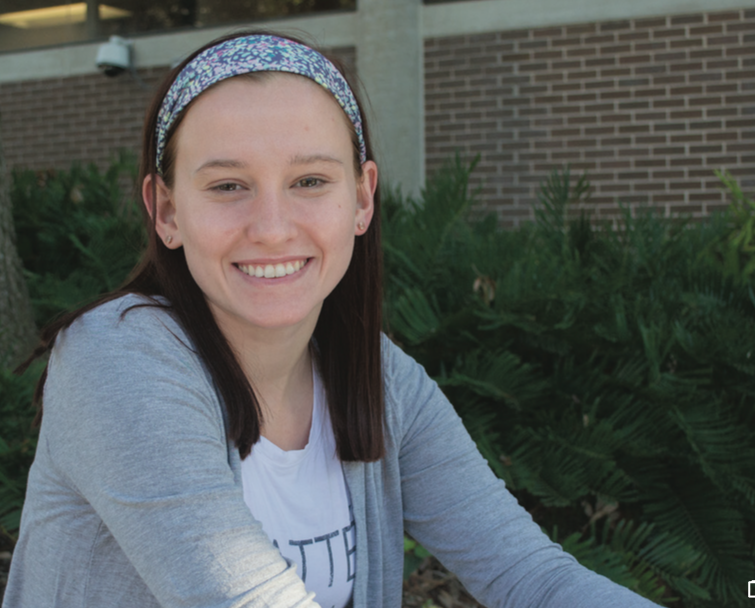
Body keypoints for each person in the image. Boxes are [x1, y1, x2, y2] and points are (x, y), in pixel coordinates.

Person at [3, 31, 661, 608]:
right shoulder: (116, 362)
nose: (271, 228)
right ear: (167, 211)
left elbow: (531, 577)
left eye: (311, 181)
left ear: (362, 197)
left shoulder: (378, 378)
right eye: (229, 186)